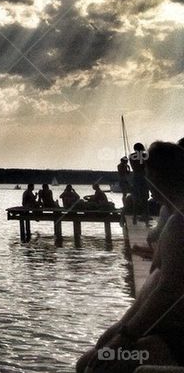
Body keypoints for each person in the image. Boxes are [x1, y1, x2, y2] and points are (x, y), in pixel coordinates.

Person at [77, 142, 184, 372]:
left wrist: (125, 335)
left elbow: (167, 292)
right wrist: (120, 328)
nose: (145, 181)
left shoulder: (179, 222)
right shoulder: (170, 214)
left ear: (159, 175)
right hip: (160, 327)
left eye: (148, 174)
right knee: (89, 360)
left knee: (98, 367)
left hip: (176, 335)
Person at [129, 143, 148, 219]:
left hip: (135, 176)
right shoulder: (145, 156)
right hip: (143, 176)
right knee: (144, 197)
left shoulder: (131, 156)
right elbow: (145, 165)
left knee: (136, 196)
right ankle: (145, 215)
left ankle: (135, 215)